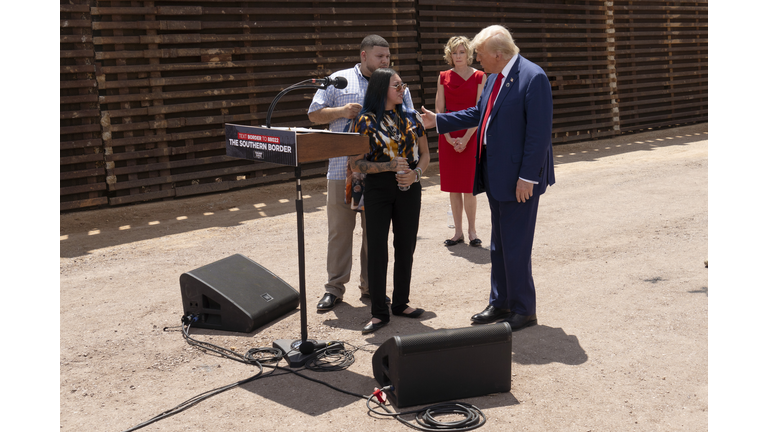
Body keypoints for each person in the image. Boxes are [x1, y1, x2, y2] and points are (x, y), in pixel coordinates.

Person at [419, 25, 555, 331]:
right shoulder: (494, 77)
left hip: (520, 180)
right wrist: (438, 120)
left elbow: (538, 135)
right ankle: (501, 302)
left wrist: (528, 178)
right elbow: (478, 113)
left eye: (479, 54)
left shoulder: (533, 77)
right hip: (495, 175)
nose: (476, 60)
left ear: (498, 54)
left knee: (516, 244)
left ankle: (523, 309)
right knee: (500, 244)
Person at [308, 35, 414, 311]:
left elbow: (409, 118)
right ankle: (334, 288)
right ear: (364, 55)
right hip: (340, 170)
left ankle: (371, 288)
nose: (385, 61)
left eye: (388, 56)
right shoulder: (339, 79)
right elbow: (314, 114)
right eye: (380, 56)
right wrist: (341, 111)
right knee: (340, 232)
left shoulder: (394, 82)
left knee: (374, 235)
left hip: (381, 174)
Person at [349, 68, 430, 334]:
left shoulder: (411, 116)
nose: (402, 88)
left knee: (405, 245)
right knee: (378, 249)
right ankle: (379, 313)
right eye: (397, 85)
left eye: (403, 84)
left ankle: (400, 303)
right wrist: (388, 166)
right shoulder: (364, 120)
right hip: (378, 188)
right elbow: (356, 163)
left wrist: (416, 175)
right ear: (382, 88)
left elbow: (427, 155)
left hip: (409, 186)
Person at [435, 36, 487, 247]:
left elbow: (480, 110)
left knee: (469, 187)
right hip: (447, 134)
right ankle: (457, 233)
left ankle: (472, 231)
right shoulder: (442, 76)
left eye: (462, 52)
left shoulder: (480, 77)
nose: (458, 56)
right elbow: (439, 108)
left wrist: (465, 139)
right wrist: (447, 136)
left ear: (469, 54)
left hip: (471, 134)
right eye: (454, 52)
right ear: (450, 54)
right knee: (453, 187)